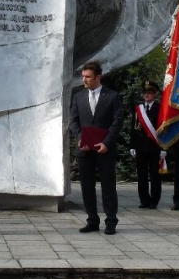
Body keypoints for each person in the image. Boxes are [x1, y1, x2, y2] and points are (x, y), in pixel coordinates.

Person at [68, 61, 124, 235]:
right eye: (83, 76)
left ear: (98, 77)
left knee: (108, 186)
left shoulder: (112, 96)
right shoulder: (78, 97)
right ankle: (92, 220)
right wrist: (80, 139)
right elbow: (73, 120)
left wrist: (106, 143)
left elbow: (117, 121)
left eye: (88, 77)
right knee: (87, 186)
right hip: (85, 149)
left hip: (104, 149)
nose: (84, 80)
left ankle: (111, 221)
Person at [129, 80, 164, 209]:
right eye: (145, 93)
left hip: (155, 147)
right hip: (141, 146)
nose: (147, 95)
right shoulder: (139, 109)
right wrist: (132, 145)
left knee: (155, 175)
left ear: (155, 94)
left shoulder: (160, 108)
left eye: (149, 92)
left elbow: (164, 129)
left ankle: (154, 201)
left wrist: (164, 148)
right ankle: (144, 199)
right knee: (142, 175)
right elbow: (133, 128)